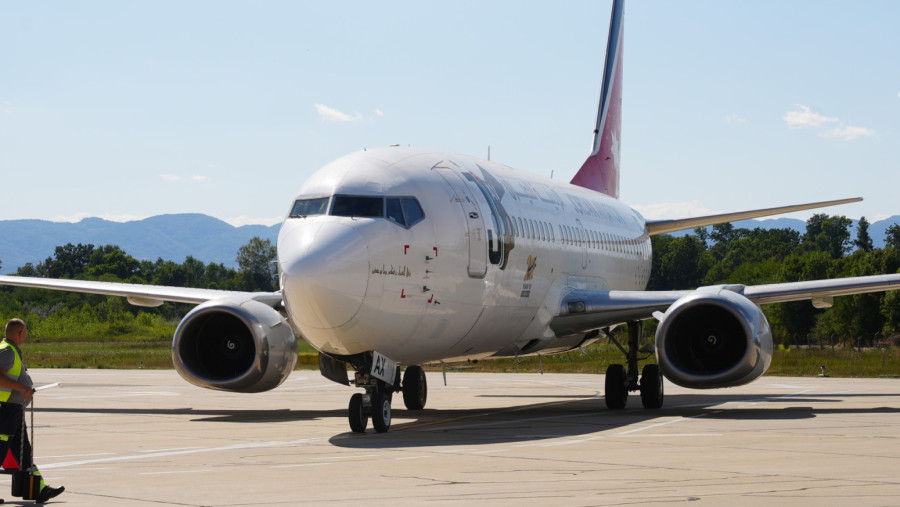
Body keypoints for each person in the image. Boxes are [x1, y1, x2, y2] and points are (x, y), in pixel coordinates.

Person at [0, 319, 64, 503]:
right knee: (1, 449)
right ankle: (38, 489)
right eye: (25, 332)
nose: (26, 336)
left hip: (14, 410)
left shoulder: (11, 350)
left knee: (24, 452)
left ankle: (39, 489)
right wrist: (21, 387)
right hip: (5, 411)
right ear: (20, 333)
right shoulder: (7, 352)